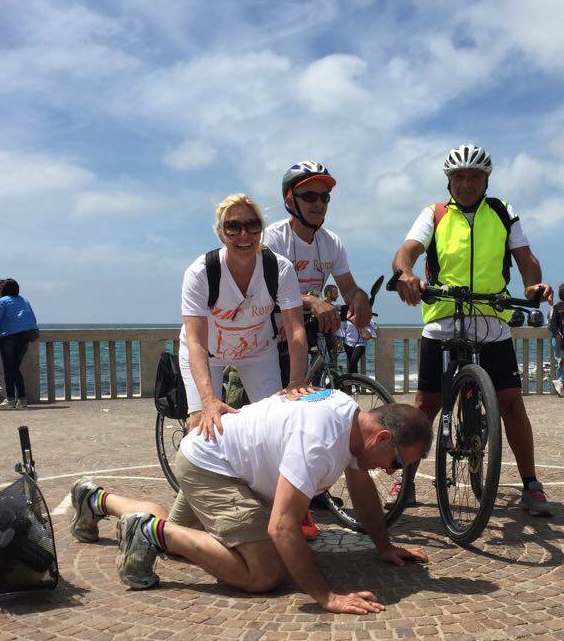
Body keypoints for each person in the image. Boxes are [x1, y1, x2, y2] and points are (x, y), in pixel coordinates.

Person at [69, 391, 432, 614]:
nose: (390, 472)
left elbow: (361, 488)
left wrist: (383, 545)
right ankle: (149, 532)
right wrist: (326, 596)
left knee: (183, 543)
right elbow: (283, 525)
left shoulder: (348, 414)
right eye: (397, 462)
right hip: (215, 468)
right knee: (265, 572)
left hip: (212, 454)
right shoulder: (321, 442)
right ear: (382, 437)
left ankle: (97, 499)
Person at [392, 143, 555, 516]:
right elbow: (408, 250)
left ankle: (531, 484)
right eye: (459, 177)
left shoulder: (501, 212)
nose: (466, 184)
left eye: (475, 177)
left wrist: (533, 286)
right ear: (448, 181)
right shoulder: (434, 214)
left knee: (511, 403)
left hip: (490, 316)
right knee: (425, 405)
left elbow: (526, 259)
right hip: (443, 317)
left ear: (486, 180)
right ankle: (406, 478)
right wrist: (406, 273)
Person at [264, 162, 373, 519]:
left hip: (303, 333)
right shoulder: (275, 237)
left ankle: (309, 489)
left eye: (324, 196)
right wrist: (310, 299)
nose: (319, 203)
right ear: (290, 201)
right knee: (259, 412)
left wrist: (358, 298)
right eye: (309, 195)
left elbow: (347, 285)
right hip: (266, 333)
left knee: (309, 408)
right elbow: (269, 288)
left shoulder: (331, 243)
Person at [179, 193, 308, 442]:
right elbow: (195, 342)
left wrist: (296, 381)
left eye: (252, 225)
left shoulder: (279, 269)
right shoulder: (200, 272)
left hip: (257, 351)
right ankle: (195, 477)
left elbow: (295, 331)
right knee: (201, 423)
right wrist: (207, 400)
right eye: (233, 227)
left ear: (261, 229)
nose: (244, 235)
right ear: (220, 233)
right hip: (209, 354)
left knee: (274, 422)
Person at [0, 278, 39, 410]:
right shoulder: (24, 300)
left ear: (4, 290)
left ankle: (11, 399)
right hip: (25, 337)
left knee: (9, 369)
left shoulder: (1, 301)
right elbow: (33, 319)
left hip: (8, 337)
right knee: (15, 368)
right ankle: (22, 399)